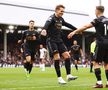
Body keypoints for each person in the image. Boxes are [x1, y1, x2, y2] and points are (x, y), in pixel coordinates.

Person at [68, 6, 108, 88]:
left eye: (95, 10)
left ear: (97, 11)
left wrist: (75, 31)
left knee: (96, 62)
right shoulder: (107, 20)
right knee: (107, 64)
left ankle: (99, 83)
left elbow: (86, 26)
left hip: (100, 43)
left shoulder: (97, 19)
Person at [41, 4, 78, 84]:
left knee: (67, 56)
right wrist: (44, 29)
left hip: (59, 40)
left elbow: (68, 24)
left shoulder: (61, 19)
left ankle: (68, 75)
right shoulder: (51, 18)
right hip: (51, 41)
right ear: (56, 10)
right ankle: (60, 78)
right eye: (61, 11)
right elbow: (47, 23)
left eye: (63, 11)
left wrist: (76, 29)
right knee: (57, 57)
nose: (62, 13)